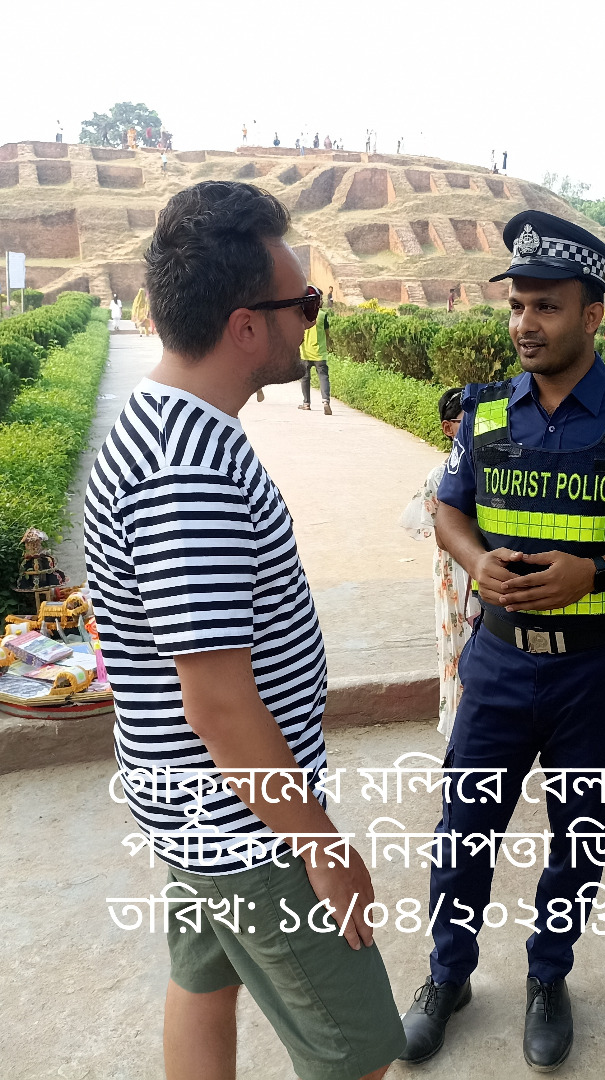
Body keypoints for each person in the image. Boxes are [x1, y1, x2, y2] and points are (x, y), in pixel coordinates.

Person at [83, 180, 405, 1080]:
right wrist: (321, 846)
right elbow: (219, 703)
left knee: (203, 985)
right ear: (245, 327)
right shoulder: (186, 472)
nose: (309, 322)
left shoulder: (162, 422)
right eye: (304, 305)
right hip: (245, 827)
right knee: (358, 1055)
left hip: (194, 807)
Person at [397, 210, 605, 1071]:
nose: (525, 324)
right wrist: (475, 561)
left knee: (579, 834)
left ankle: (548, 976)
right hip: (499, 661)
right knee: (464, 831)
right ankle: (447, 975)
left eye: (546, 307)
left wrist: (596, 573)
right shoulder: (483, 412)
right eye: (516, 306)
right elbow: (446, 509)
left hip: (596, 671)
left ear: (592, 315)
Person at [400, 387, 480, 740]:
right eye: (468, 422)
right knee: (461, 644)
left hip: (488, 571)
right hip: (459, 574)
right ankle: (461, 730)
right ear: (449, 429)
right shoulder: (441, 476)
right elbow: (435, 532)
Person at [298, 286, 333, 413]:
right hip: (320, 353)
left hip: (305, 352)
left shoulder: (301, 315)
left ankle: (306, 403)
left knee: (305, 378)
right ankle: (325, 401)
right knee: (323, 377)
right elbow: (327, 333)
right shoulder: (322, 315)